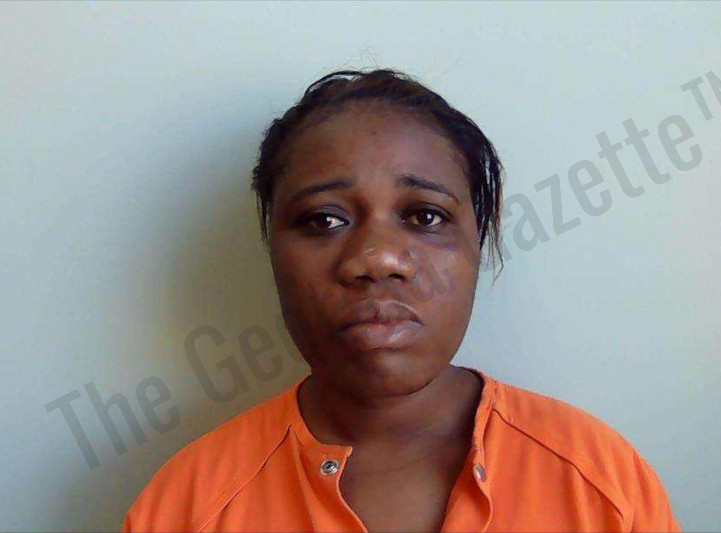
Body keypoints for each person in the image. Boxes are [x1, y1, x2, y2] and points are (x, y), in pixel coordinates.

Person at [121, 68, 681, 532]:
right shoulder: (186, 508)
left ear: (480, 243)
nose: (377, 258)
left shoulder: (601, 482)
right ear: (272, 252)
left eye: (426, 216)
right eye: (323, 220)